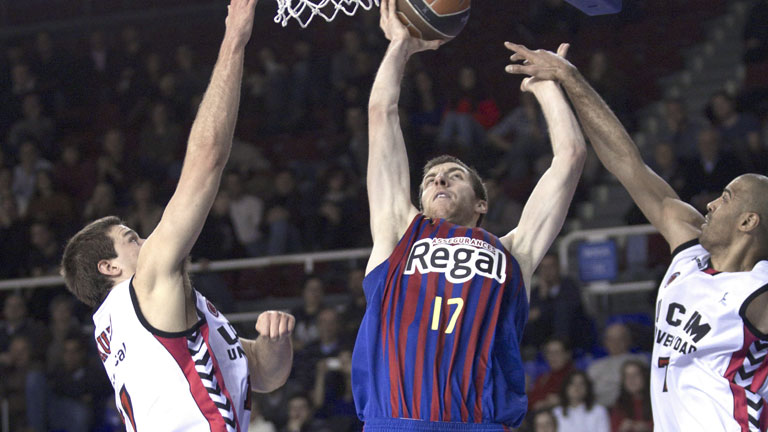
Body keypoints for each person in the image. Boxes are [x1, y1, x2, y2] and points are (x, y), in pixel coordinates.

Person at [505, 42, 768, 431]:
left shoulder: (759, 287)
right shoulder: (688, 249)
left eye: (726, 198)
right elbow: (625, 161)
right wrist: (569, 77)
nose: (711, 204)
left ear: (748, 222)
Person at [59, 1, 295, 430]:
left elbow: (264, 375)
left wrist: (273, 342)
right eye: (132, 238)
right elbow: (206, 159)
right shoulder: (145, 284)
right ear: (109, 267)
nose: (147, 240)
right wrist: (235, 39)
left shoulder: (138, 324)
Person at [351, 1, 587, 429]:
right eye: (430, 180)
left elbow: (569, 158)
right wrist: (399, 47)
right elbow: (380, 115)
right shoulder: (399, 232)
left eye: (454, 176)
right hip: (397, 421)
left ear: (482, 203)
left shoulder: (513, 252)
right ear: (421, 202)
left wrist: (547, 86)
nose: (440, 179)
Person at [609, 360, 653, 432]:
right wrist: (621, 429)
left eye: (636, 374)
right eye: (627, 376)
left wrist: (648, 427)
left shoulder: (657, 401)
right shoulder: (619, 405)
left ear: (644, 377)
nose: (631, 379)